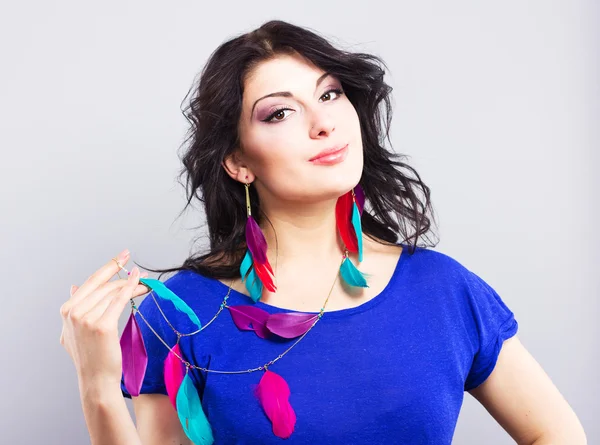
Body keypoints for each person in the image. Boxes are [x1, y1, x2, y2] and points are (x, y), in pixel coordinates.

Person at [59, 19, 587, 445]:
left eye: (330, 95)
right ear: (239, 161)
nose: (323, 123)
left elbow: (555, 432)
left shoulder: (443, 291)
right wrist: (100, 387)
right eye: (280, 112)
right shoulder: (181, 317)